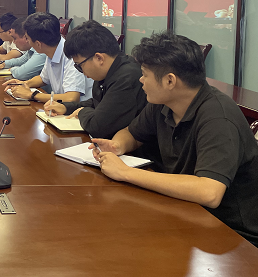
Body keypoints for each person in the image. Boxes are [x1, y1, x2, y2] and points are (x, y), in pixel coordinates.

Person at [90, 32, 258, 246]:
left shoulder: (218, 116)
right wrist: (117, 145)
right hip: (186, 210)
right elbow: (132, 133)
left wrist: (125, 172)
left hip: (232, 235)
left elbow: (209, 192)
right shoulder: (162, 103)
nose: (140, 80)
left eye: (145, 74)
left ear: (170, 80)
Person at [43, 20, 148, 139]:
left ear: (99, 58)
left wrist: (82, 112)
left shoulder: (126, 77)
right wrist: (66, 107)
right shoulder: (108, 70)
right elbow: (97, 103)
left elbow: (97, 127)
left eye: (79, 66)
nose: (82, 72)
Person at [3, 12, 92, 104]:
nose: (28, 42)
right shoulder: (51, 49)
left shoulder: (71, 56)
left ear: (38, 44)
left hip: (80, 110)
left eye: (28, 39)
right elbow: (43, 79)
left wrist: (32, 95)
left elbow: (71, 98)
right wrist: (24, 84)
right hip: (61, 107)